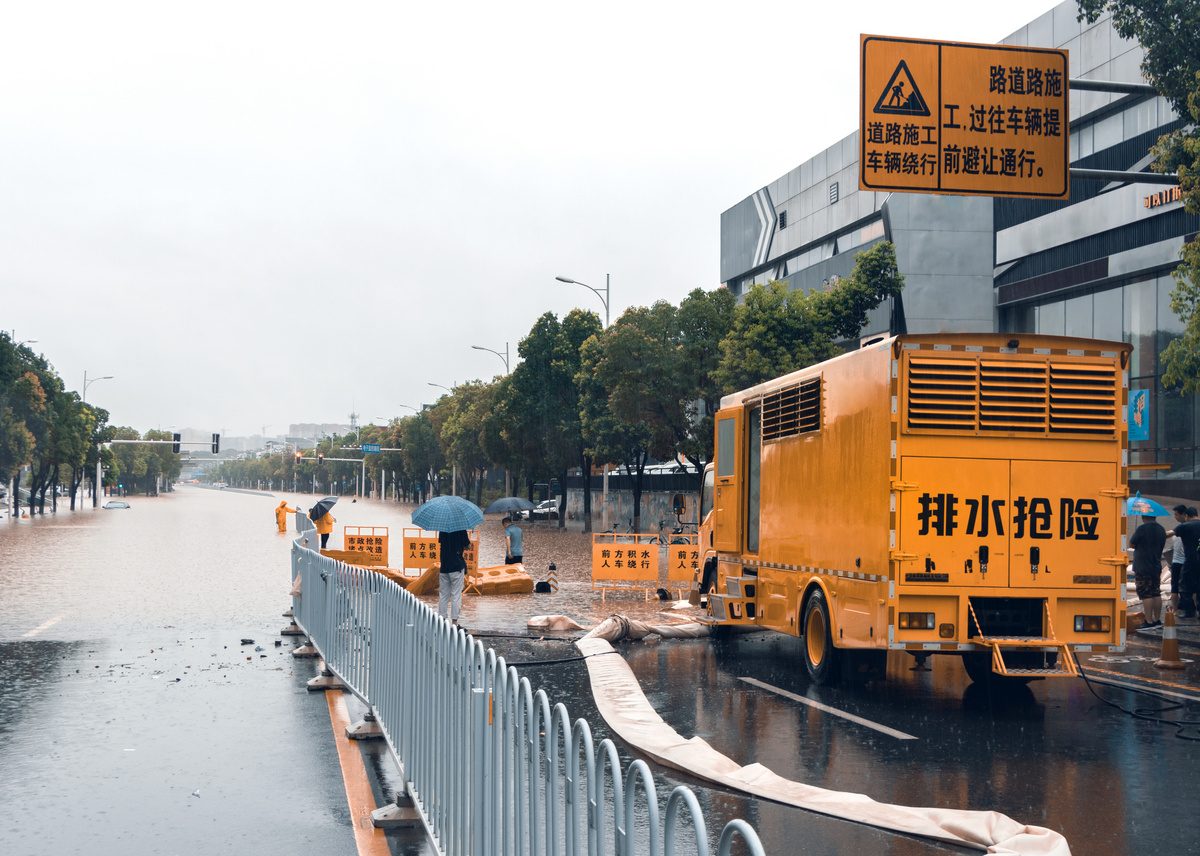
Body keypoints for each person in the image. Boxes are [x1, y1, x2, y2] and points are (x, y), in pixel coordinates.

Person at [1130, 513, 1167, 630]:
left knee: (1146, 594)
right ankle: (1157, 620)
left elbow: (1131, 543)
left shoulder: (1142, 528)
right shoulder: (1161, 529)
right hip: (1156, 565)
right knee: (1156, 592)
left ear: (1143, 517)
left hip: (1143, 566)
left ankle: (1148, 621)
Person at [1168, 506, 1200, 619]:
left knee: (1184, 586)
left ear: (1186, 516)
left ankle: (1190, 611)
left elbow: (1169, 534)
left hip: (1190, 561)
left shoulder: (1185, 526)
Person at [437, 528, 470, 626]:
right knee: (456, 595)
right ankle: (454, 622)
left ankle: (441, 620)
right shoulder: (461, 529)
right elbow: (467, 545)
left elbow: (442, 543)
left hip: (444, 567)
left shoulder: (442, 529)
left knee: (443, 595)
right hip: (457, 567)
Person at [1168, 504, 1189, 613]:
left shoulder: (1179, 530)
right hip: (1185, 562)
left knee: (1175, 587)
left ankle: (1175, 611)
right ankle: (1192, 609)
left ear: (1182, 514)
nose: (1175, 517)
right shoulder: (1188, 528)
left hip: (1177, 562)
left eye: (1176, 514)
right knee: (1188, 587)